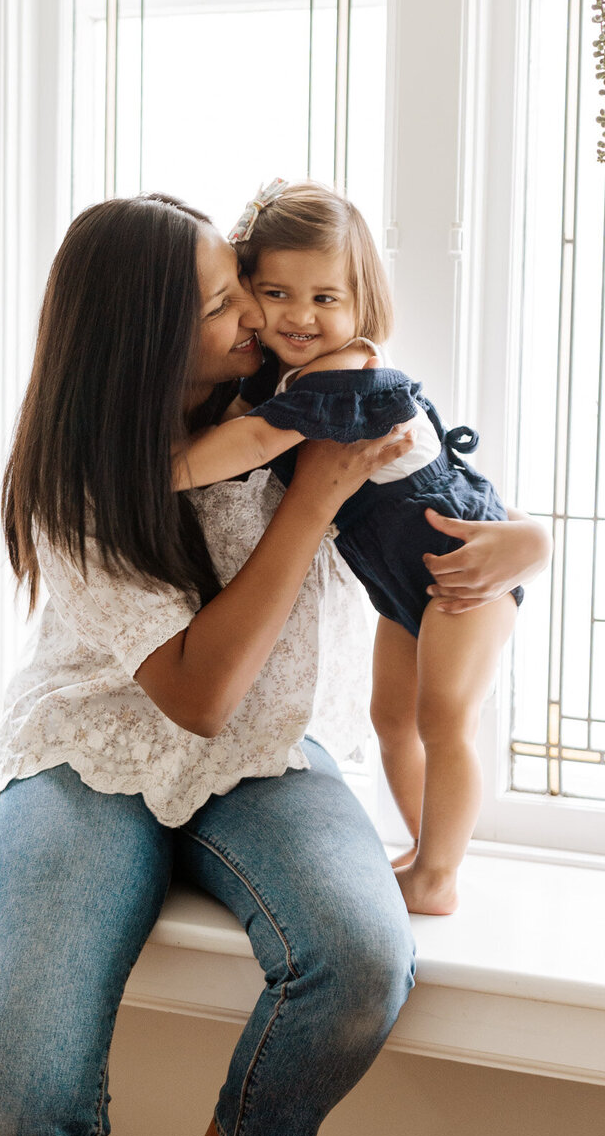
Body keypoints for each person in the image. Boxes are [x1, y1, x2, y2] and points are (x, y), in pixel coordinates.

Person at [0, 192, 545, 1136]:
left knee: (359, 958)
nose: (258, 317)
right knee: (20, 1102)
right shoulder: (81, 476)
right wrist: (314, 499)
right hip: (91, 756)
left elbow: (447, 488)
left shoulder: (298, 399)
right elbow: (197, 696)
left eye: (251, 288)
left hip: (270, 763)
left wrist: (527, 543)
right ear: (141, 335)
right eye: (226, 302)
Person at [174, 181, 552, 917]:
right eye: (276, 293)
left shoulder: (347, 374)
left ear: (360, 303)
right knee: (392, 719)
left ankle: (440, 876)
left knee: (444, 718)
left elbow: (252, 440)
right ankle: (419, 845)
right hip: (402, 583)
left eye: (325, 299)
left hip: (460, 575)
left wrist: (169, 468)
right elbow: (250, 419)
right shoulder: (289, 377)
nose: (301, 316)